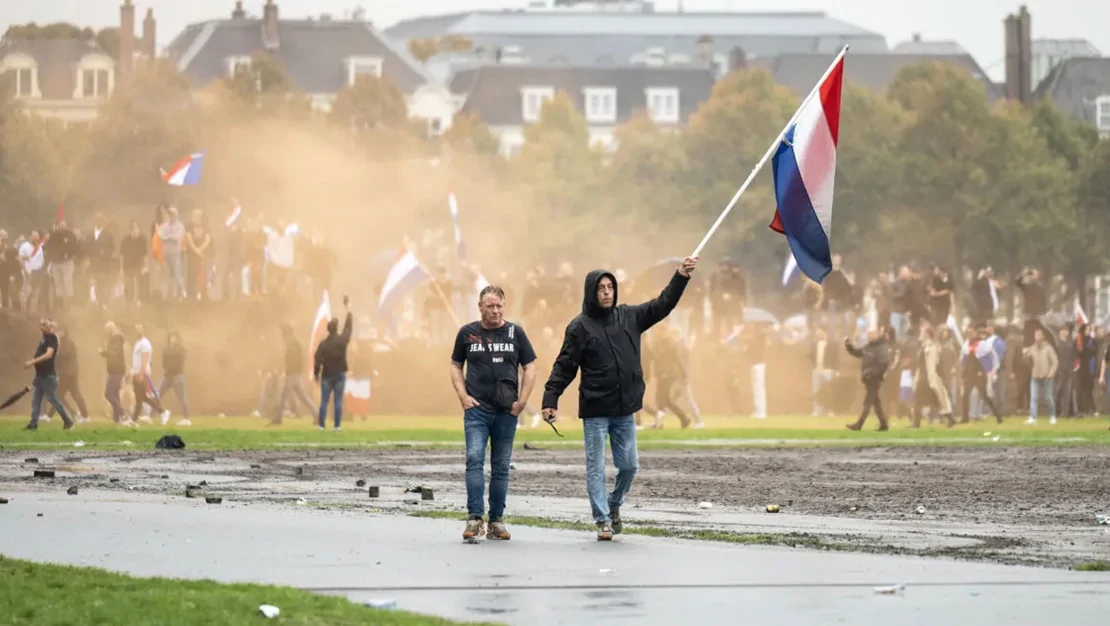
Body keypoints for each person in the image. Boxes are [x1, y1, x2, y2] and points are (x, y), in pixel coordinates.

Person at [542, 256, 698, 541]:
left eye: (610, 287)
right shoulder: (579, 327)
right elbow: (564, 365)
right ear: (592, 292)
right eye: (601, 288)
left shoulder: (630, 316)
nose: (606, 292)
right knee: (596, 468)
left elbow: (663, 304)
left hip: (625, 409)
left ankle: (613, 505)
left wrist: (681, 276)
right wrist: (550, 398)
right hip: (595, 410)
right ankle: (602, 520)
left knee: (629, 466)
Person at [450, 285, 538, 541]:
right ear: (480, 307)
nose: (496, 310)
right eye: (490, 306)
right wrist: (463, 396)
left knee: (500, 467)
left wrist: (522, 401)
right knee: (474, 460)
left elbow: (530, 366)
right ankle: (474, 517)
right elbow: (455, 365)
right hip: (476, 411)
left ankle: (496, 521)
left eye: (499, 306)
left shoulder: (515, 332)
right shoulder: (467, 333)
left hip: (505, 411)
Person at [23, 319, 75, 430]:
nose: (41, 327)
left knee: (53, 399)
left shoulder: (52, 338)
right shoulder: (44, 339)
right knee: (36, 400)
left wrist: (32, 362)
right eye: (40, 324)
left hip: (48, 376)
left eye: (45, 325)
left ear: (50, 326)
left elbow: (48, 355)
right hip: (40, 375)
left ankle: (68, 420)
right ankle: (33, 423)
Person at [313, 296, 353, 430]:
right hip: (340, 373)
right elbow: (348, 329)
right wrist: (348, 311)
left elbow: (317, 359)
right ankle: (337, 425)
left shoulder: (323, 344)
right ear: (336, 328)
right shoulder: (342, 341)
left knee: (324, 401)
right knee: (338, 401)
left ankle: (321, 425)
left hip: (327, 374)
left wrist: (316, 374)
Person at [844, 329, 891, 431]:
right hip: (867, 379)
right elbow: (857, 353)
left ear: (877, 335)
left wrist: (872, 373)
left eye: (871, 334)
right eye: (868, 334)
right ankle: (884, 424)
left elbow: (884, 363)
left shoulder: (881, 348)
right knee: (875, 402)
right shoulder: (868, 347)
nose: (869, 336)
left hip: (875, 379)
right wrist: (848, 346)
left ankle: (859, 424)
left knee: (868, 402)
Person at [273, 323, 317, 425]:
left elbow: (292, 359)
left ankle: (278, 419)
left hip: (293, 373)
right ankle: (317, 415)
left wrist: (287, 371)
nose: (280, 333)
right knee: (303, 397)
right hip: (296, 373)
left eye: (281, 331)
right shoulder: (292, 341)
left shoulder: (291, 342)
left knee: (283, 396)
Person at [44, 325, 89, 424]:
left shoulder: (67, 343)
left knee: (73, 394)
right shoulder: (62, 343)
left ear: (65, 332)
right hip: (66, 373)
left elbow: (64, 357)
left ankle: (85, 416)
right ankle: (49, 416)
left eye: (60, 331)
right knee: (60, 395)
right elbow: (59, 360)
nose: (59, 333)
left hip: (69, 374)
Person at [129, 323, 170, 425]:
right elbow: (136, 360)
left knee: (140, 398)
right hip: (136, 373)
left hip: (142, 373)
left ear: (144, 330)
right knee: (142, 397)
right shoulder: (137, 343)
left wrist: (141, 373)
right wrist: (131, 371)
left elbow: (144, 359)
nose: (137, 331)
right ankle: (163, 412)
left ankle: (134, 420)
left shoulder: (145, 343)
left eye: (139, 329)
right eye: (136, 329)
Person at [1024, 328, 1058, 425]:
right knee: (1033, 397)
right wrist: (1025, 354)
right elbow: (1026, 359)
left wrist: (1050, 374)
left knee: (1048, 398)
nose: (1036, 337)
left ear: (1043, 336)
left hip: (1047, 377)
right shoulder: (1032, 347)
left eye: (1038, 335)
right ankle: (1033, 417)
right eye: (1035, 335)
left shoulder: (1048, 348)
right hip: (1035, 376)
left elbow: (1055, 362)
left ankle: (1052, 416)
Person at [158, 331, 191, 426]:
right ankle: (151, 415)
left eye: (174, 337)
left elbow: (179, 363)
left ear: (178, 339)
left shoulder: (181, 349)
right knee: (158, 394)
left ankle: (186, 418)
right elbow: (163, 361)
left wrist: (169, 369)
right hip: (167, 376)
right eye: (171, 337)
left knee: (181, 397)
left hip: (177, 376)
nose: (172, 339)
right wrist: (165, 369)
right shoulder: (166, 349)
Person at [99, 322, 128, 424]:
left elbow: (114, 353)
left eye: (108, 329)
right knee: (115, 395)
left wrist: (104, 352)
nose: (106, 331)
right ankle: (117, 419)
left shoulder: (117, 339)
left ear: (112, 329)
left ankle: (123, 413)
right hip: (113, 370)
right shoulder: (112, 340)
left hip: (117, 370)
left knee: (108, 394)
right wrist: (104, 353)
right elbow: (112, 354)